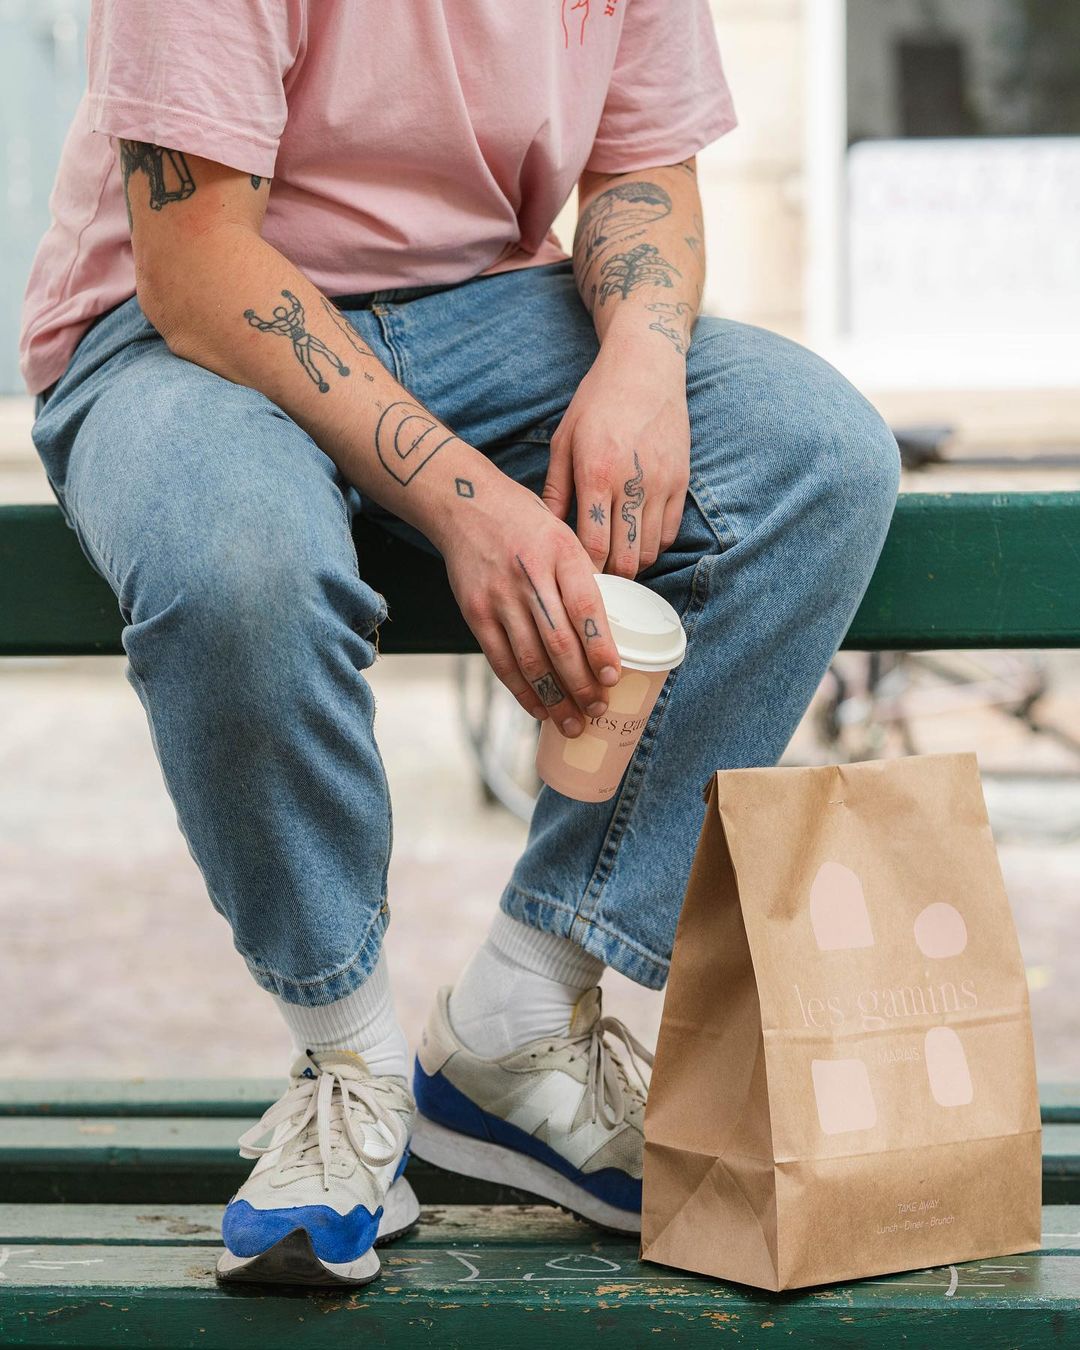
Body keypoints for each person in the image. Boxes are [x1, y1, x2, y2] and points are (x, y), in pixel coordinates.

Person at [19, 0, 900, 1289]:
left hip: (482, 314)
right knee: (240, 563)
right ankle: (349, 1060)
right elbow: (197, 257)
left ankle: (522, 1019)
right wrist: (466, 499)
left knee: (813, 457)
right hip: (185, 330)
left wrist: (643, 367)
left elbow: (645, 163)